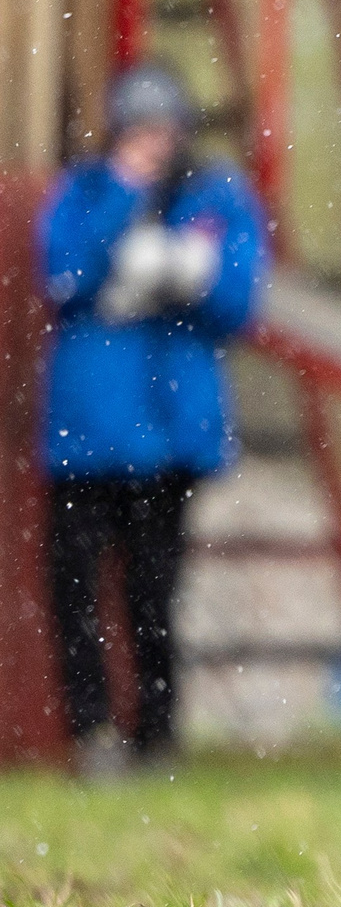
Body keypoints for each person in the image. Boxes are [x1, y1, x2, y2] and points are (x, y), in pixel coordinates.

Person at [38, 62, 266, 776]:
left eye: (162, 130)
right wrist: (122, 204)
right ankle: (93, 733)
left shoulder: (213, 195)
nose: (151, 145)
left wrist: (185, 274)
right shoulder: (85, 191)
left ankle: (157, 738)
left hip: (170, 435)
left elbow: (238, 300)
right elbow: (64, 273)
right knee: (75, 586)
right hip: (85, 436)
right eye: (138, 131)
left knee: (154, 590)